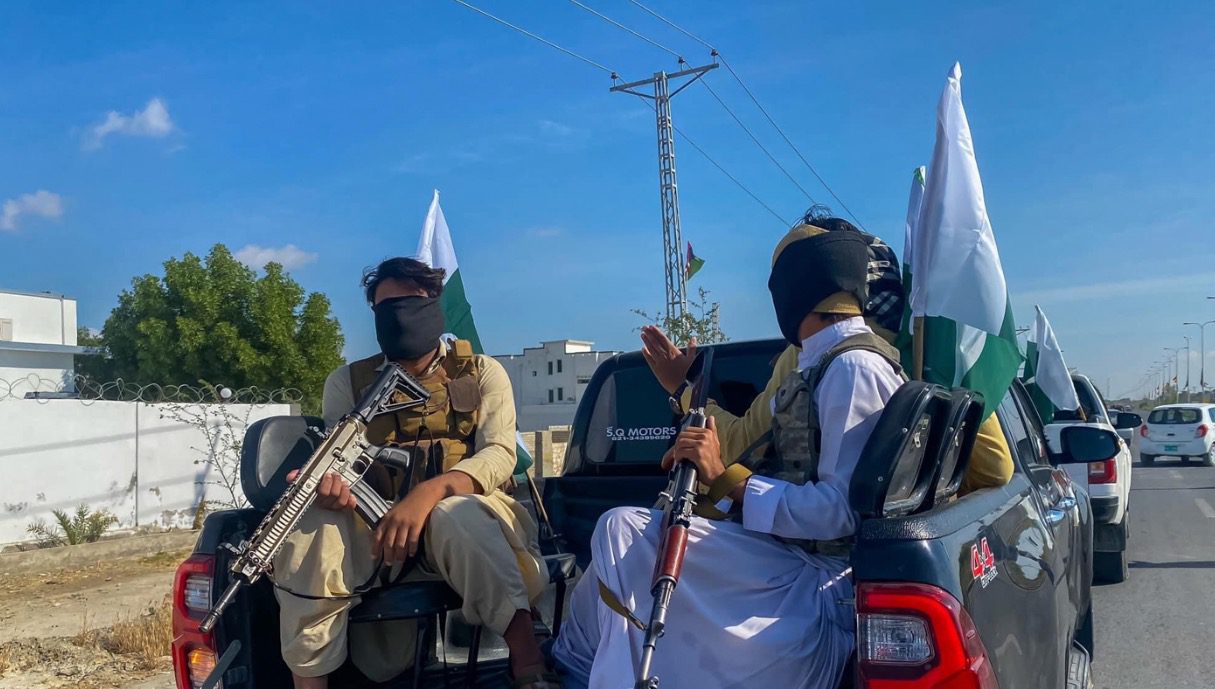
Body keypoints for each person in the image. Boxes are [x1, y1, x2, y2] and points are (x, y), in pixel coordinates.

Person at [552, 224, 906, 689]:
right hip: (799, 566)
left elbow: (841, 514)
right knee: (631, 534)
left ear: (797, 285)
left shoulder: (852, 368)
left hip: (820, 586)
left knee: (622, 530)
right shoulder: (825, 362)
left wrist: (726, 477)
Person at [273, 258, 560, 689]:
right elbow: (342, 459)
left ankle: (529, 666)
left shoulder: (482, 372)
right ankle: (310, 680)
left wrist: (431, 492)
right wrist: (331, 489)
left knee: (455, 513)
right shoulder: (348, 382)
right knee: (311, 528)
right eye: (386, 307)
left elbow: (500, 452)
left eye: (411, 302)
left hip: (474, 519)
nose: (399, 316)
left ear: (434, 306)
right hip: (380, 527)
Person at [639, 217, 1013, 495]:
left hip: (817, 553)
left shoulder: (820, 353)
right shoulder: (930, 349)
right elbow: (997, 470)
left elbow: (741, 446)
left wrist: (685, 389)